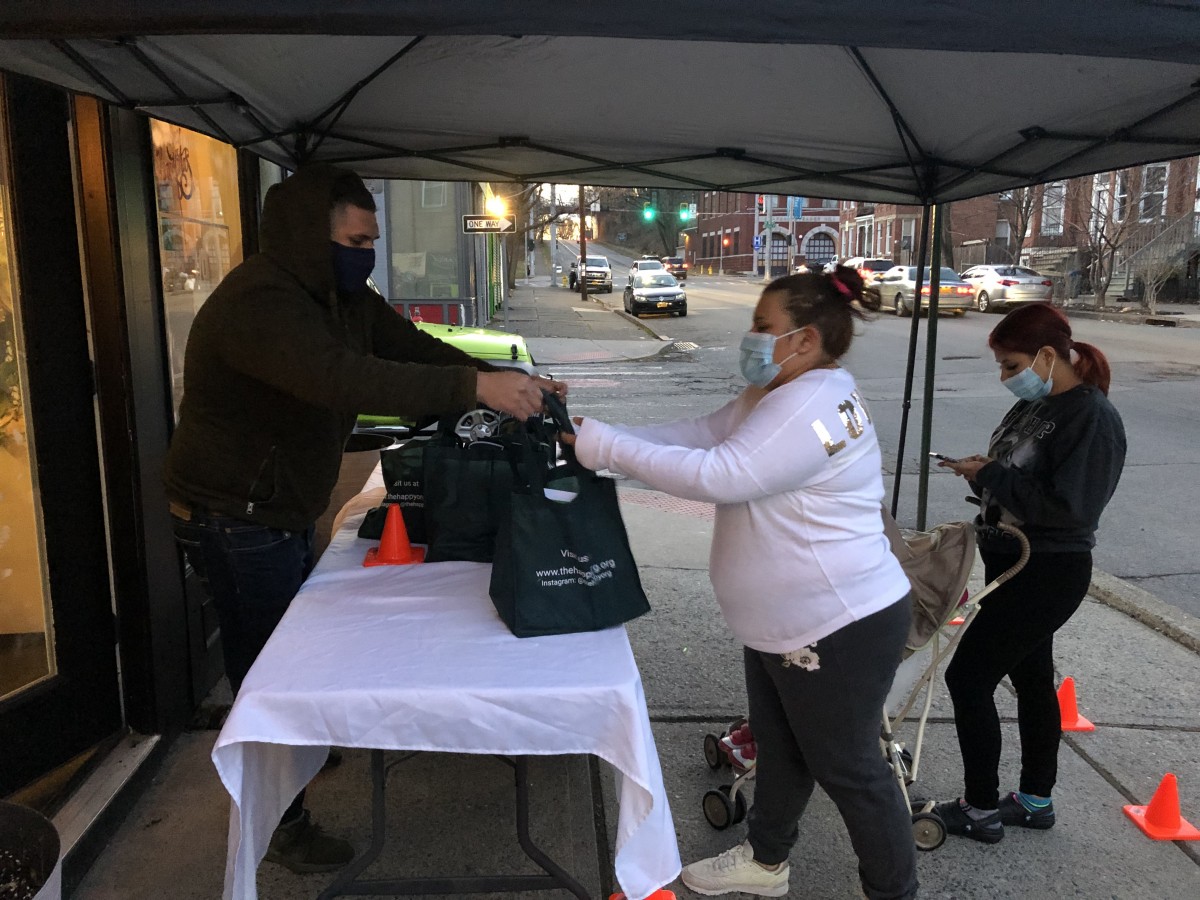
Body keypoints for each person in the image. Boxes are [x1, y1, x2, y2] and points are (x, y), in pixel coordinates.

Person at [163, 164, 565, 873]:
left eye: (372, 239)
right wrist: (474, 386)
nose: (367, 252)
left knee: (294, 652)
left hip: (278, 508)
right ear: (309, 238)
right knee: (268, 672)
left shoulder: (339, 294)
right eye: (355, 239)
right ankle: (282, 823)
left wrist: (507, 384)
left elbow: (406, 345)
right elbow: (345, 377)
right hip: (235, 515)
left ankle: (303, 750)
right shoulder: (262, 301)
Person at [561, 269, 918, 899]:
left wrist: (606, 447)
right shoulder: (782, 391)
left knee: (853, 770)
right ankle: (765, 860)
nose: (751, 337)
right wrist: (599, 439)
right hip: (787, 625)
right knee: (782, 749)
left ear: (804, 340)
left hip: (836, 626)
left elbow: (721, 474)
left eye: (763, 326)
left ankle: (894, 892)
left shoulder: (807, 407)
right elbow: (700, 436)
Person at [933, 302, 1125, 843]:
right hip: (1010, 561)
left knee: (968, 677)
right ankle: (1036, 801)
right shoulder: (1034, 410)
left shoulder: (1091, 417)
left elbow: (1070, 509)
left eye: (1010, 364)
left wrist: (993, 472)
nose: (1005, 377)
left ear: (1046, 355)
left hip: (1047, 569)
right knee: (1032, 677)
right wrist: (981, 473)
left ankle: (979, 808)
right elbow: (1018, 479)